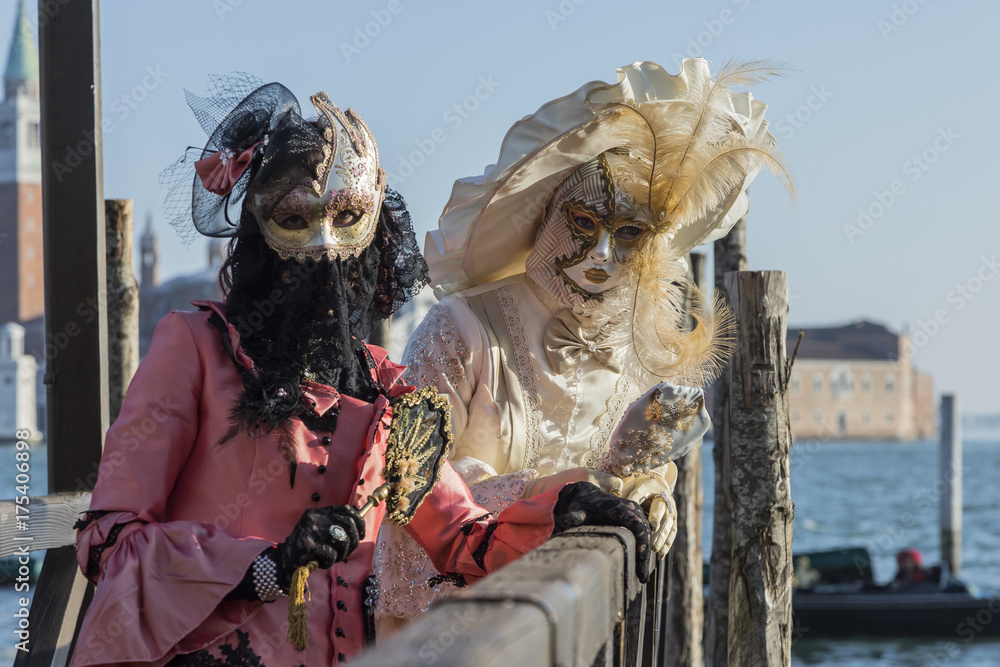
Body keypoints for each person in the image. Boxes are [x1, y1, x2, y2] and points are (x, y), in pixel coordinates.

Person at [69, 75, 654, 667]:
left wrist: (566, 505)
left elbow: (459, 537)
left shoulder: (390, 391)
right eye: (295, 220)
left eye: (346, 216)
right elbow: (107, 540)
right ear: (258, 232)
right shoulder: (194, 349)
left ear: (376, 230)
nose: (324, 247)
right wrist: (264, 566)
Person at [374, 58, 789, 630]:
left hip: (575, 623)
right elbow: (414, 480)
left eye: (627, 236)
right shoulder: (461, 326)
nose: (601, 257)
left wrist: (649, 490)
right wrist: (565, 494)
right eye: (583, 222)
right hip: (451, 622)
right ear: (546, 214)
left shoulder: (637, 342)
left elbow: (630, 460)